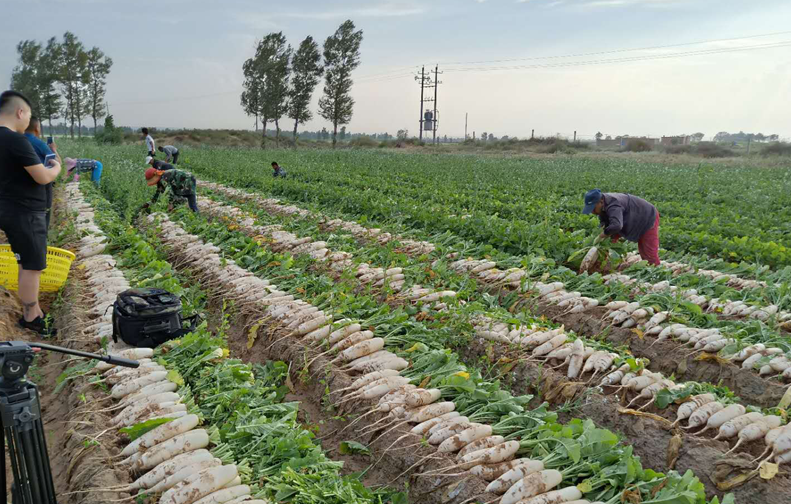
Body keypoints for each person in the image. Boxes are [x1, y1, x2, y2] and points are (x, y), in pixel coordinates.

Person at [0, 90, 62, 336]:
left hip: (7, 207)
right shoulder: (16, 140)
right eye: (28, 116)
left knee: (24, 260)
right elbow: (42, 176)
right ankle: (32, 316)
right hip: (25, 211)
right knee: (31, 265)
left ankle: (31, 311)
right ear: (19, 112)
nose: (28, 122)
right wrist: (56, 167)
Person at [582, 189, 660, 266]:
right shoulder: (603, 205)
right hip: (628, 217)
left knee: (648, 251)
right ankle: (605, 263)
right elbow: (605, 223)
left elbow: (616, 225)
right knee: (609, 241)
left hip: (647, 216)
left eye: (593, 208)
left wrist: (602, 234)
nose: (592, 212)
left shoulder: (613, 204)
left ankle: (655, 271)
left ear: (601, 202)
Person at [24, 116, 60, 229]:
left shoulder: (15, 141)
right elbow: (57, 161)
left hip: (18, 184)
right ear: (36, 128)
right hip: (40, 183)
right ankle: (41, 234)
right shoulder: (39, 143)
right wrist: (54, 149)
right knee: (45, 210)